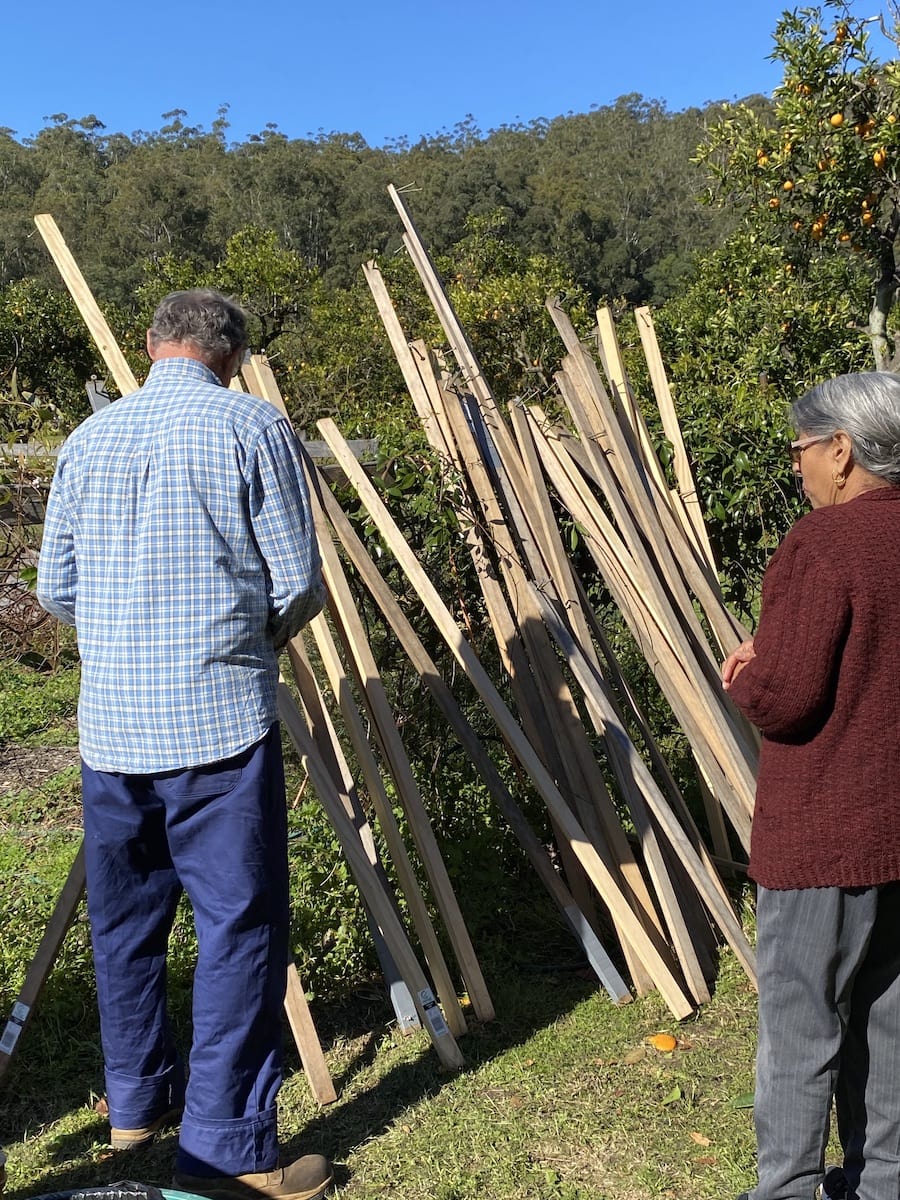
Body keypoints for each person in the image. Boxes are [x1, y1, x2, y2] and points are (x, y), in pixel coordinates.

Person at [37, 290, 330, 1200]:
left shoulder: (89, 440)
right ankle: (230, 1147)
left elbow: (55, 586)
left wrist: (126, 639)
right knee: (239, 925)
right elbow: (298, 584)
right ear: (230, 354)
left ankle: (134, 1106)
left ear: (152, 346)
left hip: (114, 727)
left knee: (125, 924)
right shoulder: (251, 427)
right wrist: (237, 646)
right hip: (218, 725)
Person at [721, 371, 900, 1200]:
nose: (796, 466)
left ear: (842, 450)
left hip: (825, 834)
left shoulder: (822, 546)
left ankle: (787, 1190)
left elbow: (787, 698)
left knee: (801, 1028)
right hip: (896, 834)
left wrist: (746, 674)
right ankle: (880, 1182)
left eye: (801, 448)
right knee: (889, 1021)